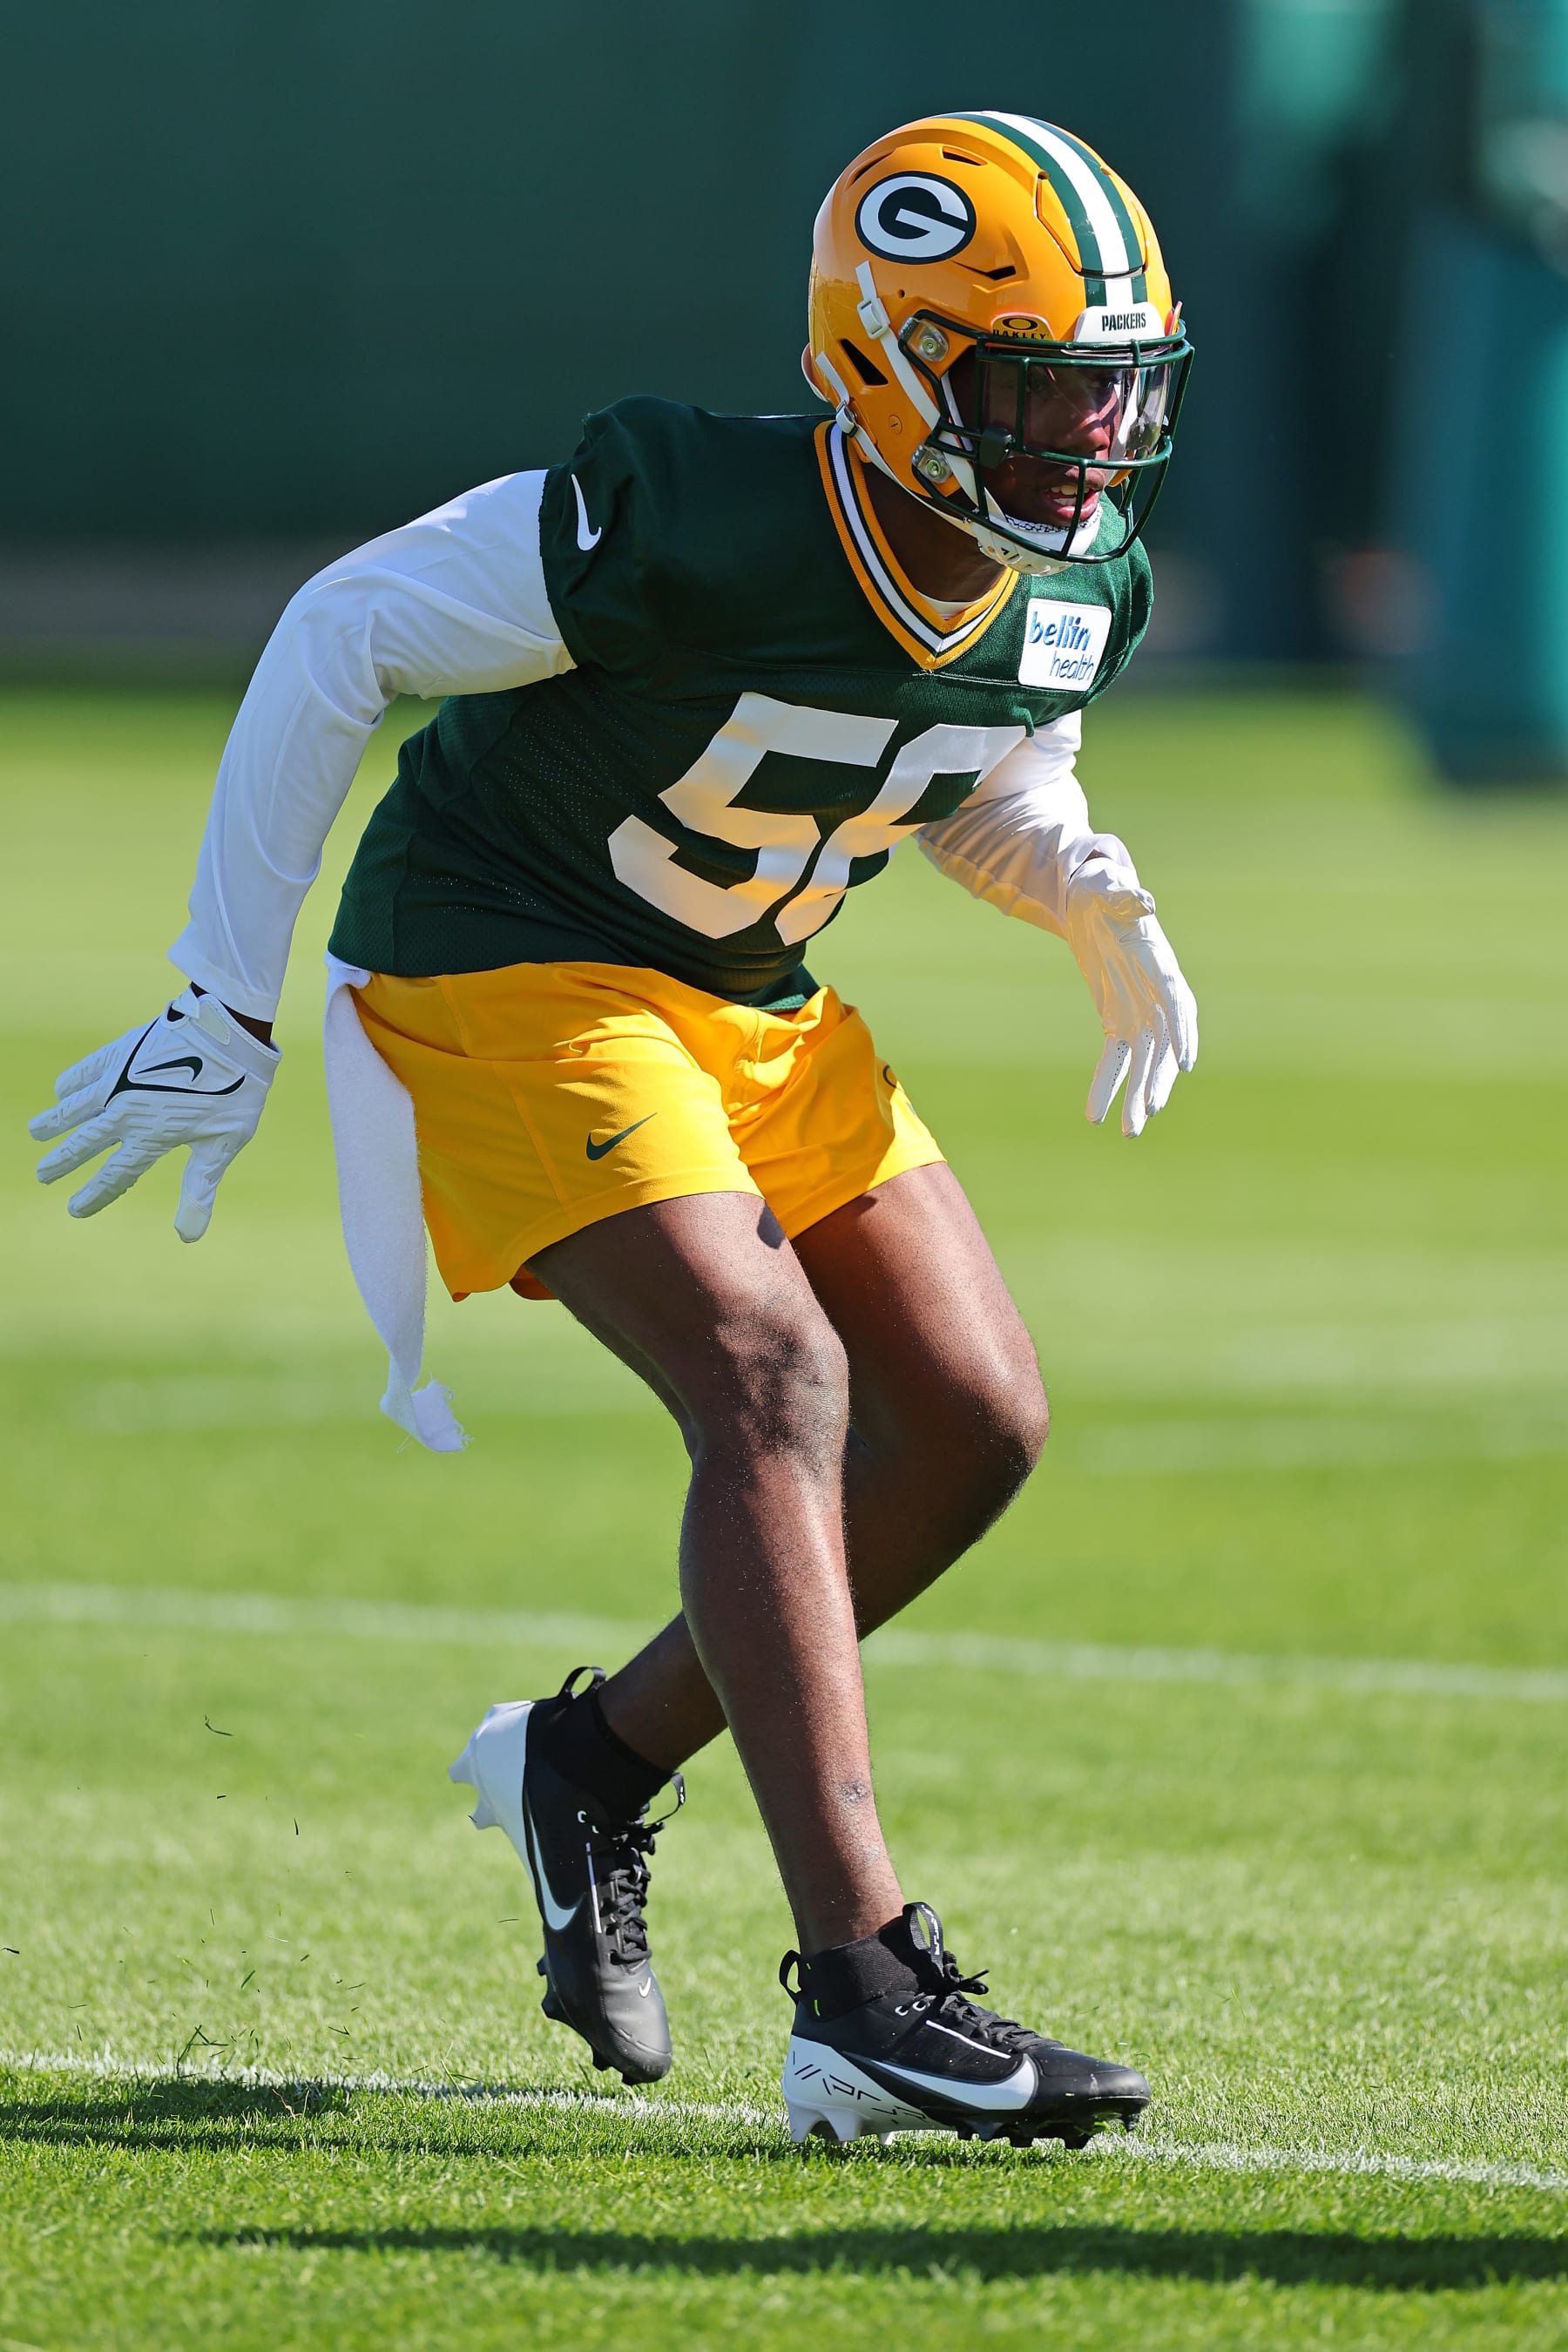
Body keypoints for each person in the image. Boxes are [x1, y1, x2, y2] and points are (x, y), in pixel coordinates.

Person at [29, 112, 1197, 2149]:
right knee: (773, 1372)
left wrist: (1082, 879)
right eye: (1037, 391)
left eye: (1113, 394)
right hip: (511, 955)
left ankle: (594, 1761)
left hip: (750, 991)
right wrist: (221, 993)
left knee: (976, 1421)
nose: (1087, 443)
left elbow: (981, 765)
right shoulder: (684, 502)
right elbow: (343, 631)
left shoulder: (1073, 568)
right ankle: (861, 1990)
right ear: (893, 362)